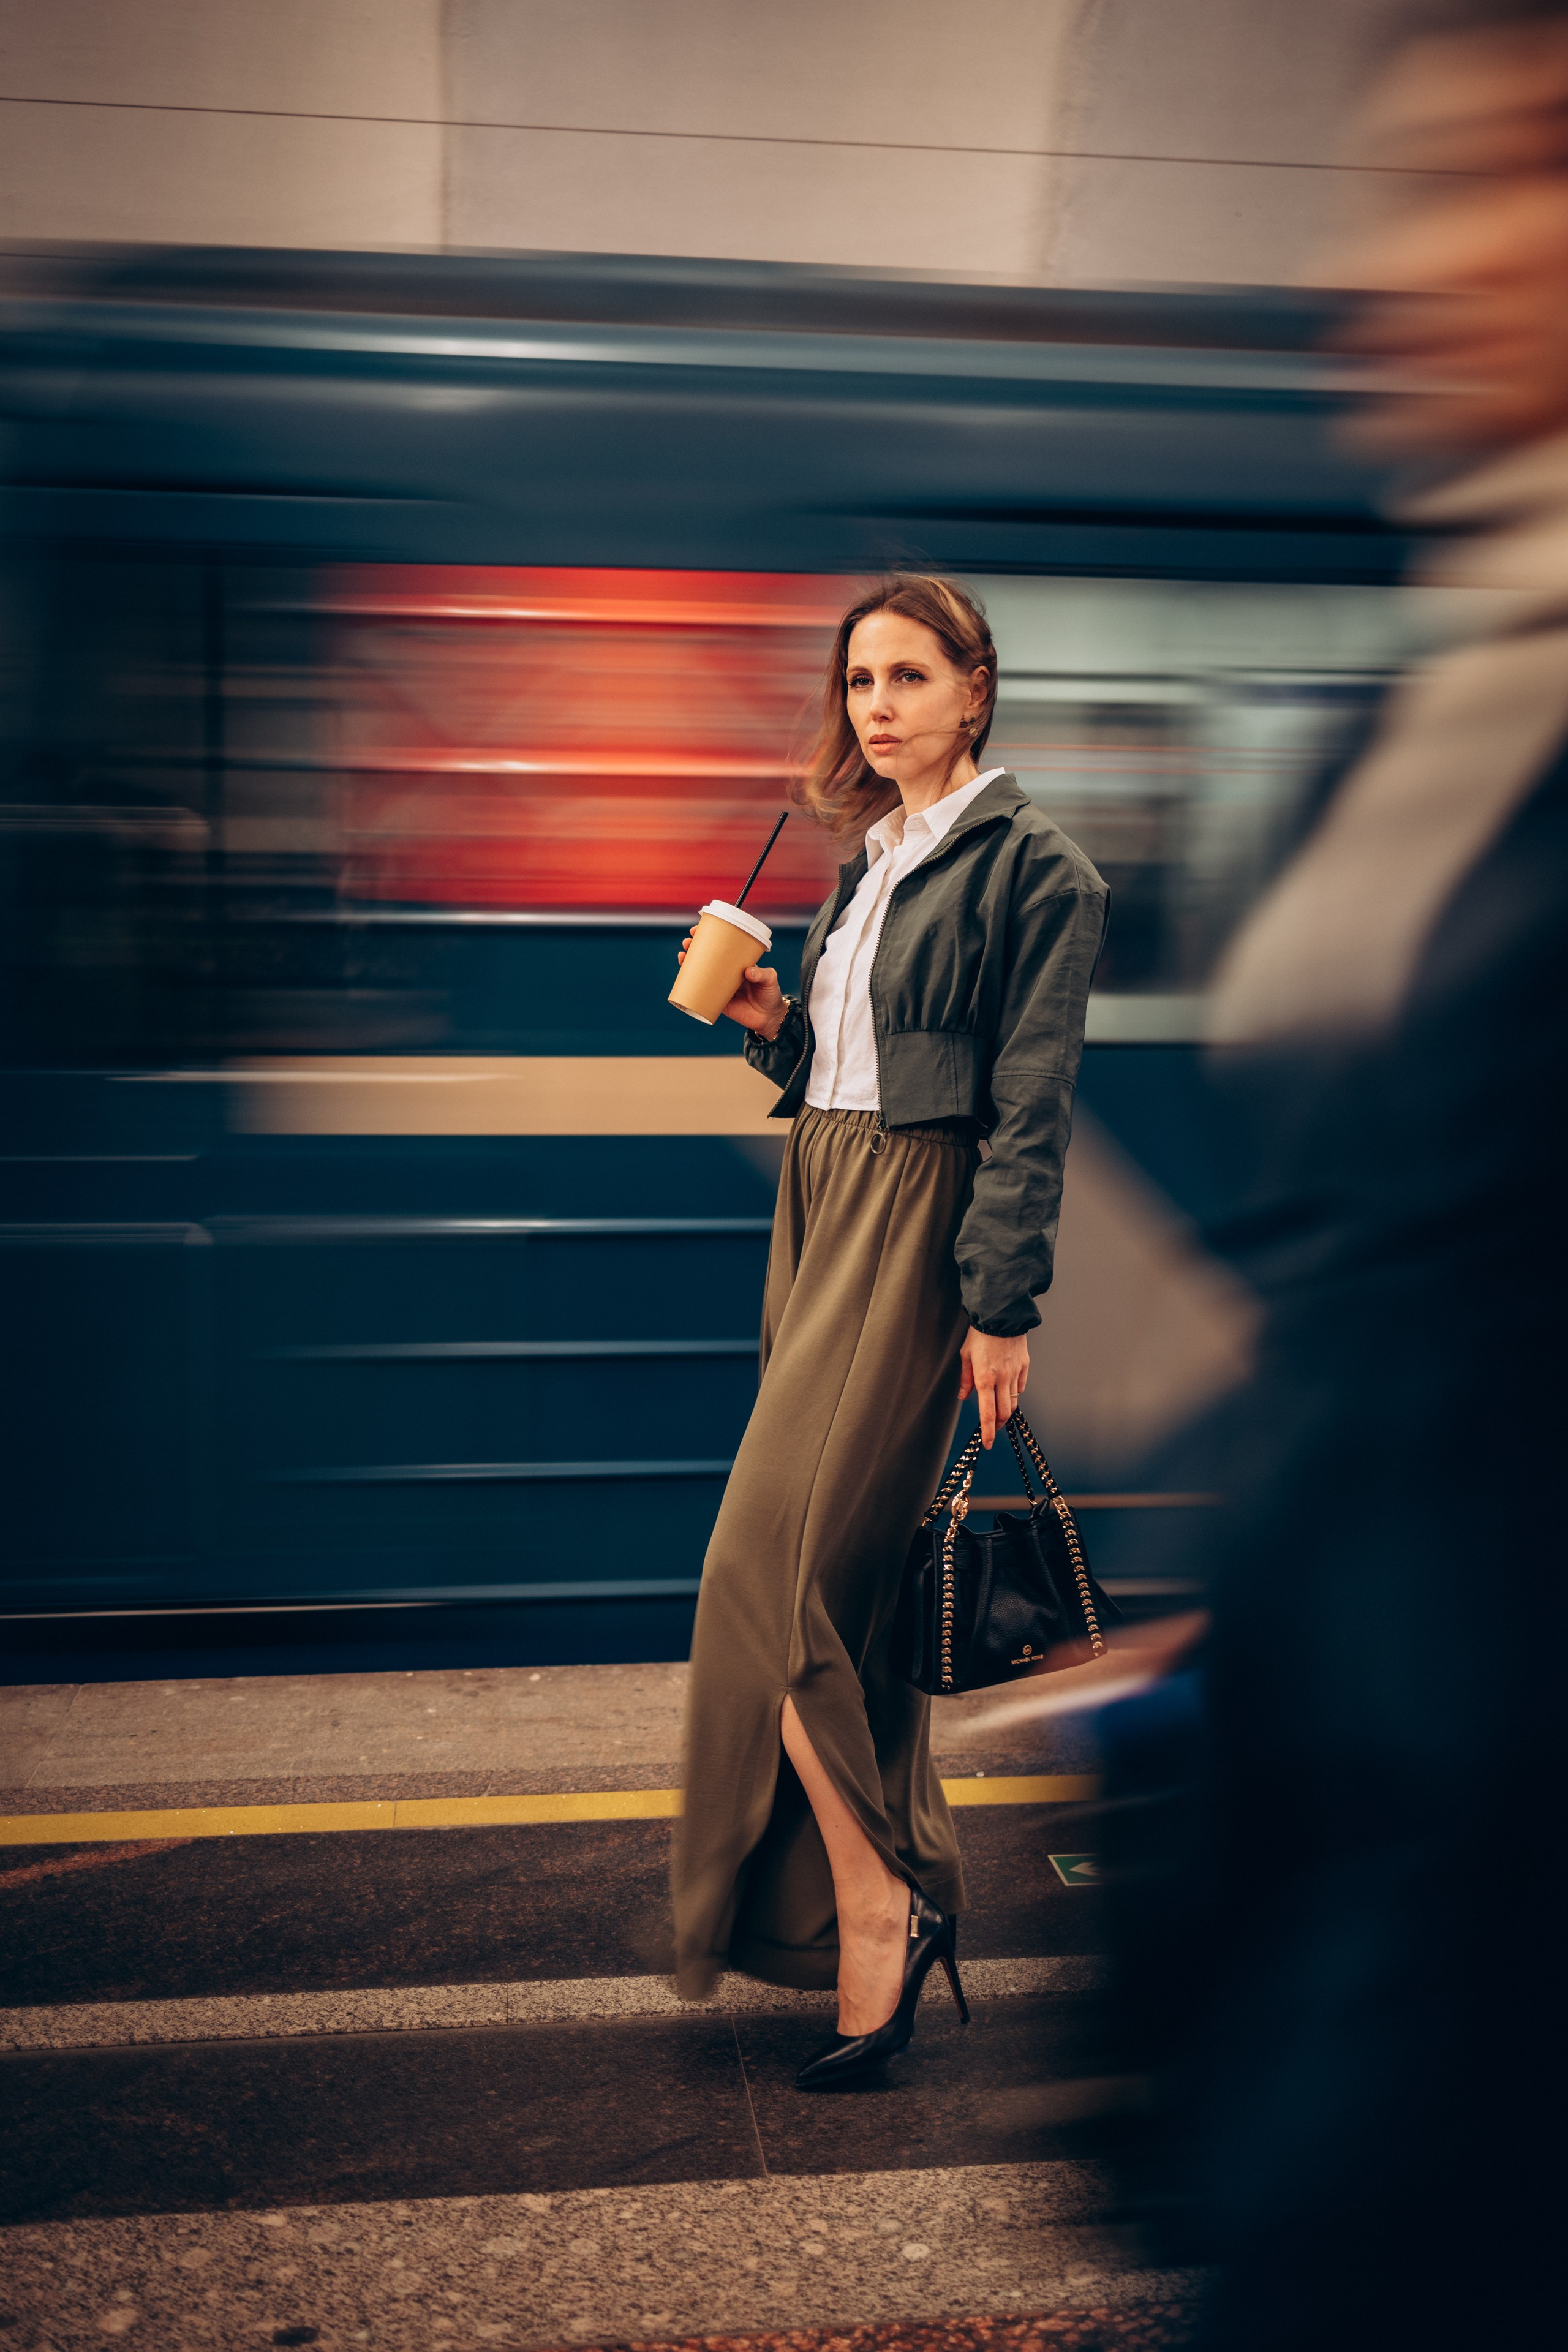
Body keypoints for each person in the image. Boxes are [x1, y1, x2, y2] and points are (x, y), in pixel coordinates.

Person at [1111, 15, 1568, 2343]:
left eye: (1501, 175)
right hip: (1336, 1768)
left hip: (1501, 1848)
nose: (1394, 265)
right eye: (1388, 192)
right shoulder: (1422, 711)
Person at [669, 575, 1107, 2087]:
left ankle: (879, 1903)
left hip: (914, 1230)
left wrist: (1000, 1305)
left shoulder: (1037, 872)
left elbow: (1023, 1107)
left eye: (908, 677)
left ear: (973, 692)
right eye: (859, 679)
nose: (876, 704)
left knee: (761, 1577)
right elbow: (848, 1074)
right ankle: (885, 1888)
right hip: (822, 1196)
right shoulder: (869, 858)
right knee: (839, 1597)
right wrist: (768, 1025)